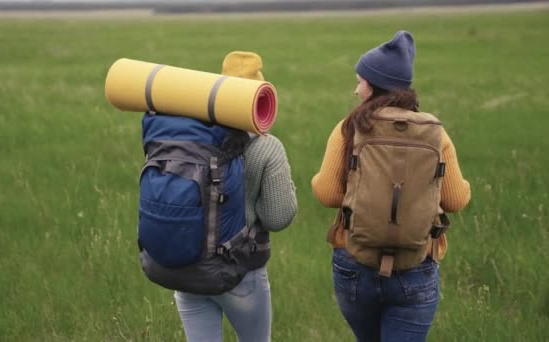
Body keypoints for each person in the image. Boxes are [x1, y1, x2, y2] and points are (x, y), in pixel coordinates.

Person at [311, 31, 471, 341]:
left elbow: (327, 193)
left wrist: (316, 179)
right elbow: (456, 200)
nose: (357, 90)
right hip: (416, 265)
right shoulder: (435, 133)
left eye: (360, 82)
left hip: (354, 263)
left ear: (373, 86)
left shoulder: (348, 129)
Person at [173, 51, 298, 342]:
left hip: (188, 269)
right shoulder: (268, 147)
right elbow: (278, 218)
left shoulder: (191, 137)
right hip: (240, 272)